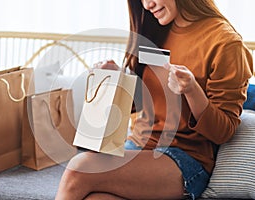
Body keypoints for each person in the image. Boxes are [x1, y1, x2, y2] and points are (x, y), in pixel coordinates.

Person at [55, 0, 253, 199]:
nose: (147, 4)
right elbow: (145, 102)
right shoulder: (155, 28)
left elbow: (223, 132)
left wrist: (192, 90)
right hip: (138, 145)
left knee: (80, 168)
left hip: (185, 158)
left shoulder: (225, 43)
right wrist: (117, 81)